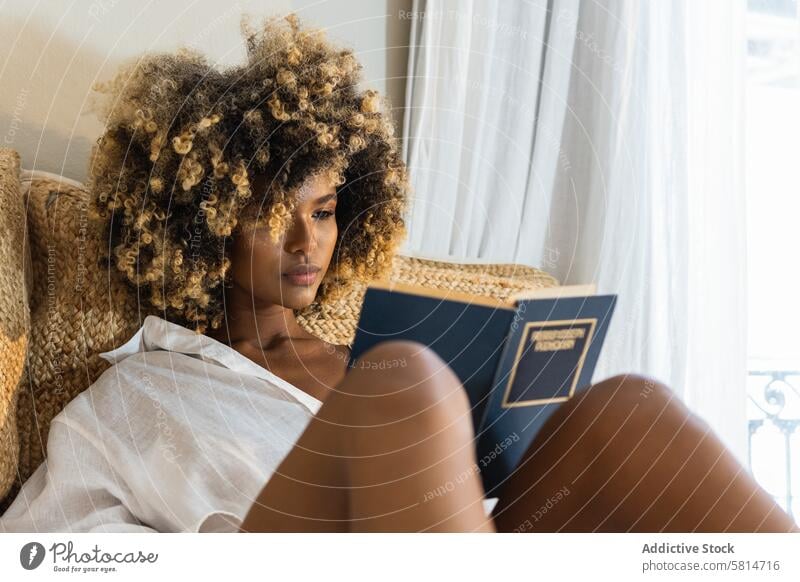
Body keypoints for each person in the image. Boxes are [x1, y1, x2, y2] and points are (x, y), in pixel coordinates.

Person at [1, 14, 796, 533]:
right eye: (272, 210)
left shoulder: (378, 359)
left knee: (632, 411)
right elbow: (47, 548)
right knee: (402, 386)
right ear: (204, 222)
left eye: (322, 210)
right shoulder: (136, 396)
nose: (303, 239)